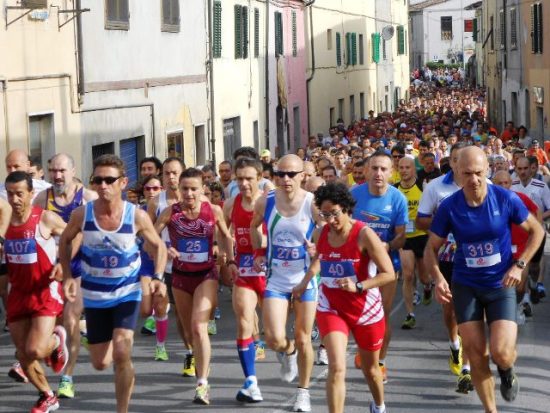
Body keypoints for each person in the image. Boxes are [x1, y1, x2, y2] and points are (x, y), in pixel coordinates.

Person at [425, 146, 544, 413]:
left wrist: (520, 265)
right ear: (456, 171)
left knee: (501, 352)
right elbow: (430, 248)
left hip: (500, 284)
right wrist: (437, 279)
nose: (473, 180)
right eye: (467, 173)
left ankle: (506, 368)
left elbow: (536, 231)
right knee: (476, 354)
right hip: (465, 285)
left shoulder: (505, 199)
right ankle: (491, 410)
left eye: (478, 173)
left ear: (487, 170)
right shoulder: (449, 207)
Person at [60, 154, 167, 413]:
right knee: (100, 362)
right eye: (98, 180)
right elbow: (64, 241)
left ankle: (122, 410)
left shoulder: (136, 216)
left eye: (109, 180)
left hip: (126, 293)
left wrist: (158, 278)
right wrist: (66, 276)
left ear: (123, 183)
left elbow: (159, 246)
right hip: (95, 296)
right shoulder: (81, 214)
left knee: (121, 352)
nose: (103, 185)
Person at [293, 183, 394, 413]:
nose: (330, 220)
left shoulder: (364, 234)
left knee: (370, 370)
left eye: (334, 213)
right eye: (324, 214)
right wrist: (305, 281)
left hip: (365, 308)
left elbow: (388, 274)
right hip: (332, 306)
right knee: (337, 367)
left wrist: (358, 285)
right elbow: (321, 259)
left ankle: (379, 406)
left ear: (347, 209)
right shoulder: (320, 233)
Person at [154, 167, 234, 405]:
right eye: (185, 189)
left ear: (202, 190)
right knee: (188, 329)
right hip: (179, 275)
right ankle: (193, 352)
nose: (189, 194)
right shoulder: (171, 213)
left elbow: (226, 237)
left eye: (193, 189)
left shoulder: (213, 210)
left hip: (206, 275)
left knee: (199, 327)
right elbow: (150, 236)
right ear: (179, 190)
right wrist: (164, 248)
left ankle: (202, 384)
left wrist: (228, 260)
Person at [250, 154, 323, 412]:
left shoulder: (313, 204)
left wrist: (317, 247)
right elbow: (253, 225)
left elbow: (325, 234)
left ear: (303, 175)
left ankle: (303, 393)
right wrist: (258, 253)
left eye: (291, 174)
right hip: (277, 279)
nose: (285, 179)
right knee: (273, 338)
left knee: (304, 338)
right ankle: (288, 352)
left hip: (305, 279)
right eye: (280, 174)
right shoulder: (266, 201)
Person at [32, 153, 97, 399]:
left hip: (80, 267)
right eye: (52, 171)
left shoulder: (88, 198)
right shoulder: (42, 198)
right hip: (50, 270)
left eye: (61, 171)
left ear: (72, 170)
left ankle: (67, 377)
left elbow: (87, 232)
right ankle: (63, 345)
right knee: (55, 323)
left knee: (70, 320)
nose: (57, 176)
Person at [4, 171, 69, 413]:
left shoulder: (45, 218)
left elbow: (74, 236)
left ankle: (56, 340)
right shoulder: (4, 222)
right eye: (10, 194)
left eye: (20, 194)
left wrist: (62, 262)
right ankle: (47, 395)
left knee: (36, 349)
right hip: (18, 293)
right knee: (23, 355)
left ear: (31, 194)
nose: (15, 199)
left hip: (44, 291)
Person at [416, 142, 474, 393]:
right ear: (450, 162)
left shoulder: (485, 184)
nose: (459, 164)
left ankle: (467, 371)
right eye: (454, 159)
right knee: (451, 311)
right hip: (446, 257)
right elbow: (420, 219)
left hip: (474, 258)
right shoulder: (435, 187)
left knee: (470, 315)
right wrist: (441, 228)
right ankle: (453, 345)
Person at [350, 151, 408, 383]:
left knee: (381, 316)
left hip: (386, 265)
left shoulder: (397, 199)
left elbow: (402, 238)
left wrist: (387, 244)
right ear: (365, 171)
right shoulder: (353, 196)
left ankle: (380, 362)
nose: (378, 173)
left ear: (391, 173)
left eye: (384, 169)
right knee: (356, 315)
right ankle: (364, 349)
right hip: (357, 263)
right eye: (374, 168)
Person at [222, 157, 266, 403]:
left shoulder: (270, 203)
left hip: (270, 272)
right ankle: (251, 381)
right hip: (245, 270)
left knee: (275, 331)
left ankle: (287, 351)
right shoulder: (231, 203)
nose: (244, 183)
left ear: (259, 178)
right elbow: (223, 232)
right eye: (240, 179)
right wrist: (229, 258)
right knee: (244, 321)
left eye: (249, 178)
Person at [395, 156, 432, 330]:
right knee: (408, 275)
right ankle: (410, 314)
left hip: (422, 236)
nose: (403, 170)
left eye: (407, 167)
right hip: (405, 238)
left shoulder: (423, 187)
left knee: (424, 277)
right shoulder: (394, 190)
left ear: (413, 169)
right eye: (400, 167)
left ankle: (427, 287)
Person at [511, 157, 550, 304]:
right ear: (515, 169)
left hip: (537, 231)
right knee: (522, 263)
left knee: (534, 266)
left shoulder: (541, 186)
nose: (522, 172)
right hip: (518, 233)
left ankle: (534, 284)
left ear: (531, 169)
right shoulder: (512, 185)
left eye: (525, 168)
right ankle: (524, 298)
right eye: (519, 169)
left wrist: (534, 218)